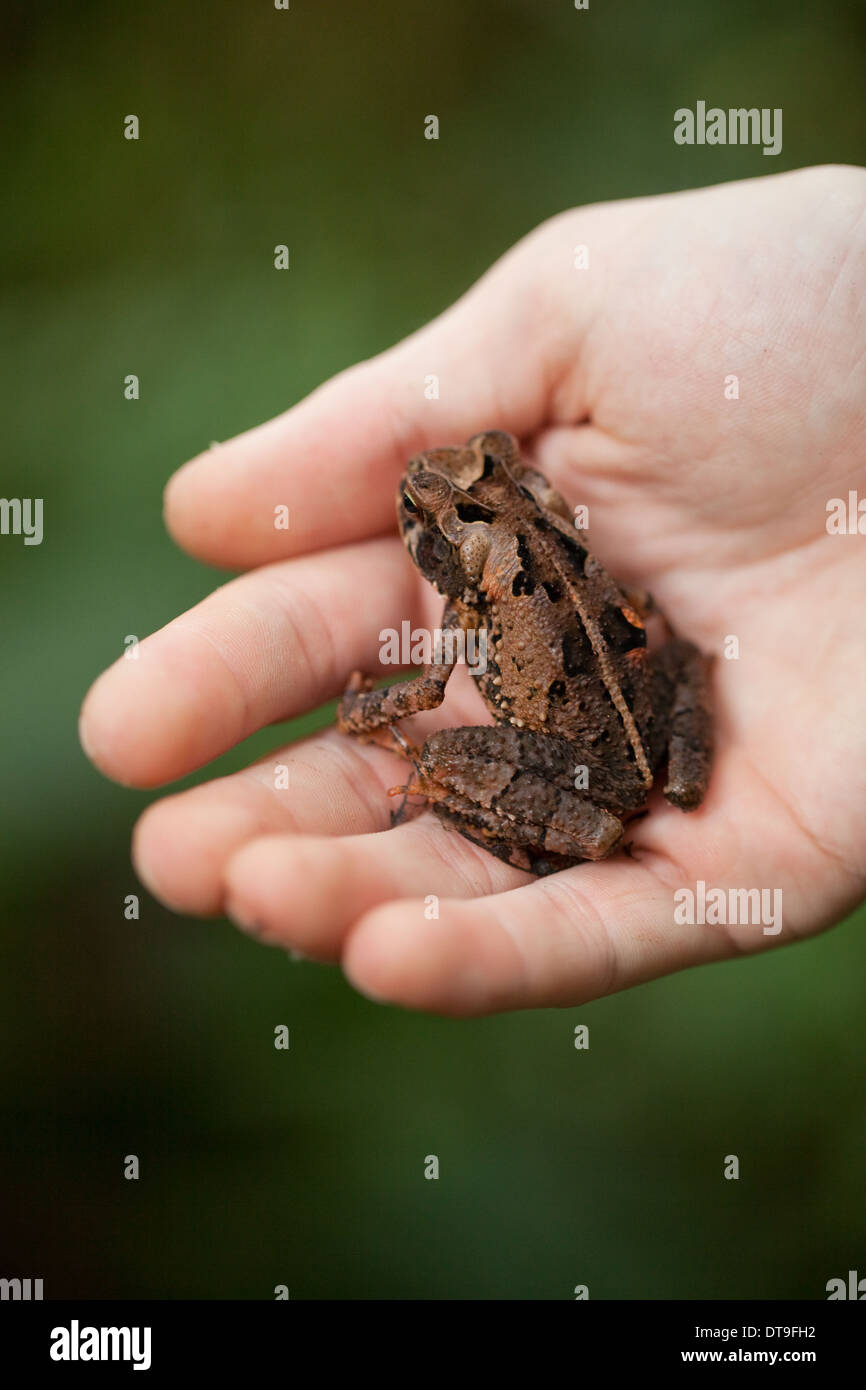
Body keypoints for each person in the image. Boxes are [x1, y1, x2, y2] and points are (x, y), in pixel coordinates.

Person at [79, 165, 866, 1016]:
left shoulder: (468, 604)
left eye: (458, 487)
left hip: (589, 769)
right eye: (429, 502)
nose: (430, 481)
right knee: (668, 712)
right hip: (641, 713)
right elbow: (624, 598)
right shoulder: (561, 531)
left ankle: (572, 822)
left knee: (445, 753)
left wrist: (355, 717)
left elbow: (424, 691)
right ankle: (669, 715)